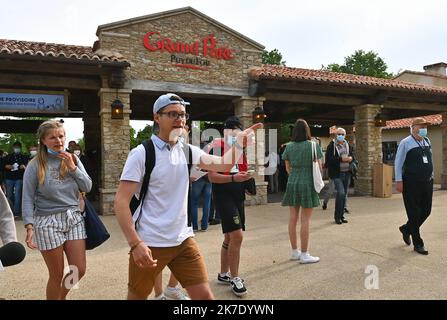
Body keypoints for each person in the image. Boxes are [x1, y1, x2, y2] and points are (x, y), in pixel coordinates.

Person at [114, 93, 262, 300]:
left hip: (183, 239)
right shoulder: (141, 153)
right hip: (151, 241)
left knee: (204, 296)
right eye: (172, 114)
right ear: (157, 117)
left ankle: (171, 289)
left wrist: (238, 144)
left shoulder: (187, 151)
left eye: (183, 115)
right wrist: (135, 243)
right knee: (137, 296)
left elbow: (224, 165)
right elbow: (120, 202)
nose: (180, 119)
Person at [22, 120, 92, 299]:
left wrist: (73, 168)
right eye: (52, 137)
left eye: (61, 136)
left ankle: (61, 296)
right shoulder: (35, 164)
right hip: (47, 221)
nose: (58, 140)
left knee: (78, 270)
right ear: (43, 141)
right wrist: (29, 227)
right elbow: (27, 198)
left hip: (73, 218)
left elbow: (88, 186)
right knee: (56, 275)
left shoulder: (73, 159)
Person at [208, 116, 254, 297]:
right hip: (223, 195)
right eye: (234, 132)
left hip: (238, 195)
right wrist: (234, 178)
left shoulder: (241, 149)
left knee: (229, 237)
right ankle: (235, 278)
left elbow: (241, 171)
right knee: (237, 236)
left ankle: (223, 274)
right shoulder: (217, 146)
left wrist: (246, 180)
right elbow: (211, 176)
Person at [281, 119, 322, 264]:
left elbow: (287, 168)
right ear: (307, 131)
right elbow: (319, 166)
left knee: (293, 218)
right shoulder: (313, 145)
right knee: (305, 220)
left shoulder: (289, 146)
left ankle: (294, 252)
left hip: (292, 182)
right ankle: (305, 254)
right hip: (308, 182)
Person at [395, 118, 434, 255]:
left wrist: (432, 174)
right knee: (413, 213)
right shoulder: (406, 143)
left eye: (425, 126)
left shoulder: (427, 141)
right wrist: (399, 180)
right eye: (421, 126)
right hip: (411, 183)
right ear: (413, 127)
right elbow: (398, 162)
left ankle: (407, 229)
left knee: (426, 210)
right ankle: (418, 243)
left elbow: (430, 159)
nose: (424, 128)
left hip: (427, 182)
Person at [325, 127, 354, 225]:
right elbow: (328, 160)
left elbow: (352, 156)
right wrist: (341, 159)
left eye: (342, 134)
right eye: (339, 134)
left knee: (344, 195)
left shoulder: (348, 145)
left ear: (345, 136)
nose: (341, 136)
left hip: (347, 173)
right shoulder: (331, 146)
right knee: (341, 193)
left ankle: (341, 215)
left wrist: (351, 159)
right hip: (336, 174)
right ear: (335, 135)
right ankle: (337, 217)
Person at [3, 141, 29, 219]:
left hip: (19, 178)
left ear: (20, 148)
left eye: (18, 147)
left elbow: (27, 166)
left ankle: (16, 212)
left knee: (18, 194)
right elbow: (4, 165)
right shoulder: (8, 156)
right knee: (9, 194)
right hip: (9, 178)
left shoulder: (24, 157)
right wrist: (7, 166)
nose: (16, 149)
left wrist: (23, 166)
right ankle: (10, 210)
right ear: (13, 148)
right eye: (15, 147)